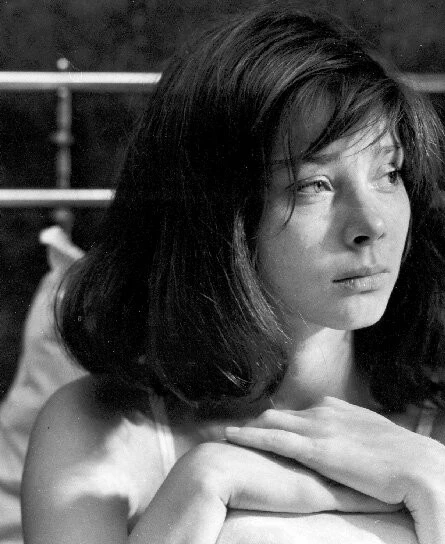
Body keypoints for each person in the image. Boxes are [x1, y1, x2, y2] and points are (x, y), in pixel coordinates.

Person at [21, 4, 445, 543]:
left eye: (388, 172)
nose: (373, 224)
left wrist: (432, 478)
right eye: (313, 185)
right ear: (218, 215)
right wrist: (204, 481)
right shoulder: (98, 433)